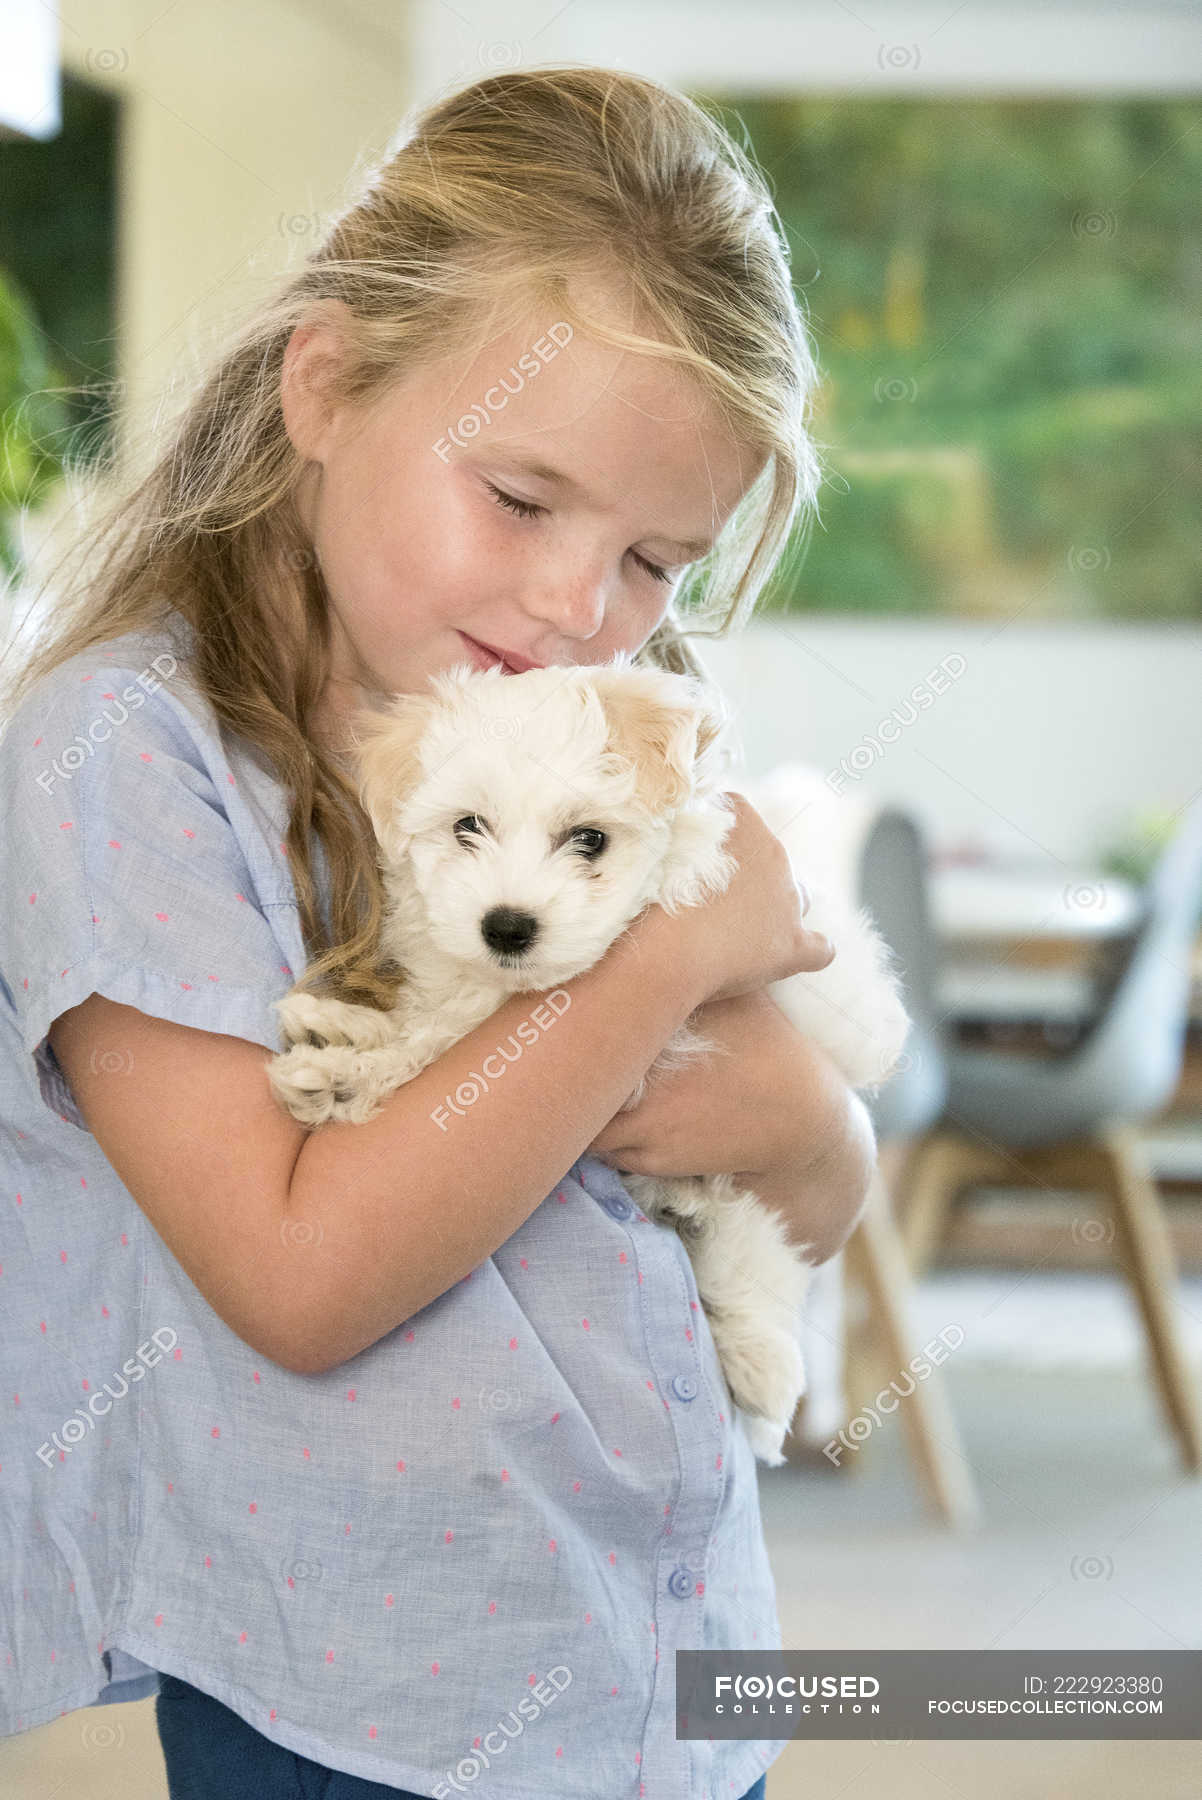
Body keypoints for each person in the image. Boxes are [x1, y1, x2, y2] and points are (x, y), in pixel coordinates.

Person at [0, 65, 877, 1800]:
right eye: (522, 498)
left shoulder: (592, 732)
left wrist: (818, 1129)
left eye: (655, 561)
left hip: (676, 1660)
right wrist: (659, 968)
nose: (578, 608)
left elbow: (814, 1205)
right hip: (366, 1697)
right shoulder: (120, 758)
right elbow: (303, 1278)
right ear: (323, 382)